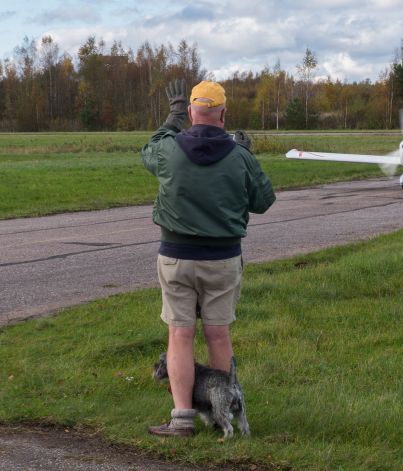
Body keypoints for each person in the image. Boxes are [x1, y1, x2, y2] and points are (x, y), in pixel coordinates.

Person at [141, 79, 275, 437]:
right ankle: (221, 416)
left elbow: (148, 150)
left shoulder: (169, 150)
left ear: (190, 113)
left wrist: (171, 118)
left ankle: (182, 419)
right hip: (223, 259)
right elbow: (263, 201)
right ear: (223, 114)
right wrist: (247, 155)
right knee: (218, 334)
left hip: (176, 257)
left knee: (179, 335)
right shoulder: (239, 155)